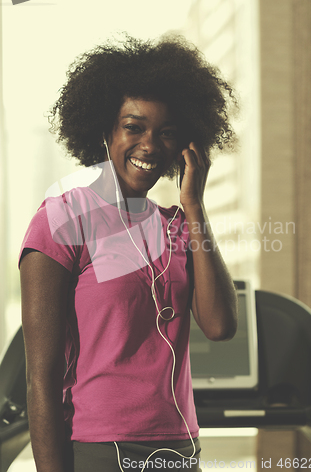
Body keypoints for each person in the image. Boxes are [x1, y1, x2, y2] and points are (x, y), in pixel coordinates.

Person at [19, 34, 238, 472]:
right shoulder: (64, 219)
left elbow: (219, 325)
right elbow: (40, 381)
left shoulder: (178, 225)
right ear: (105, 130)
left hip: (180, 450)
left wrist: (194, 204)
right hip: (101, 449)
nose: (150, 145)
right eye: (133, 127)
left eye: (167, 133)